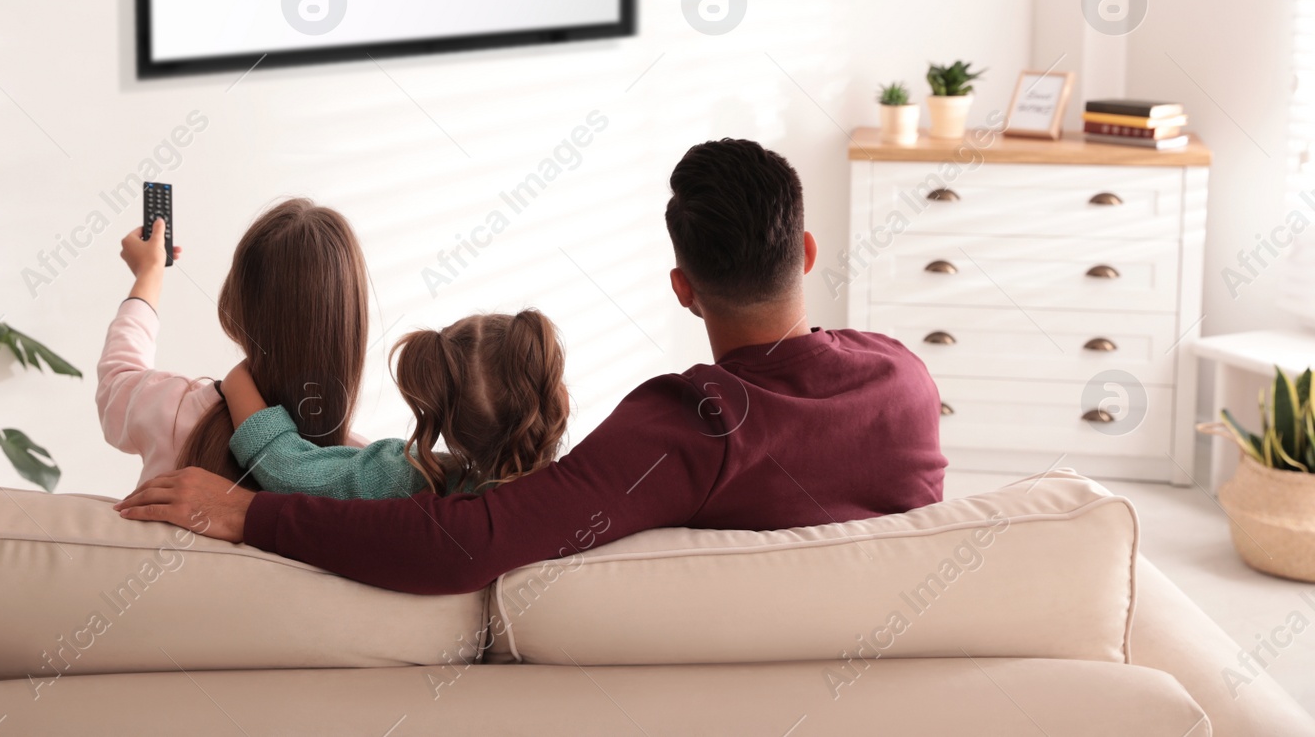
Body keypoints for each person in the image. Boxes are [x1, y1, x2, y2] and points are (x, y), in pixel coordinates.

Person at [117, 139, 948, 594]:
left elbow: (467, 542)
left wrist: (250, 516)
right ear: (804, 250)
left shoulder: (688, 426)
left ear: (684, 290)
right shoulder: (905, 381)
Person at [95, 198, 368, 486]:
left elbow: (116, 377)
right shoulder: (361, 473)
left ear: (232, 309)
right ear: (353, 330)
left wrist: (149, 273)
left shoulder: (172, 412)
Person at [219, 310, 570, 499]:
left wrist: (237, 380)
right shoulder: (574, 499)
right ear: (558, 403)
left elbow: (289, 470)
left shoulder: (410, 478)